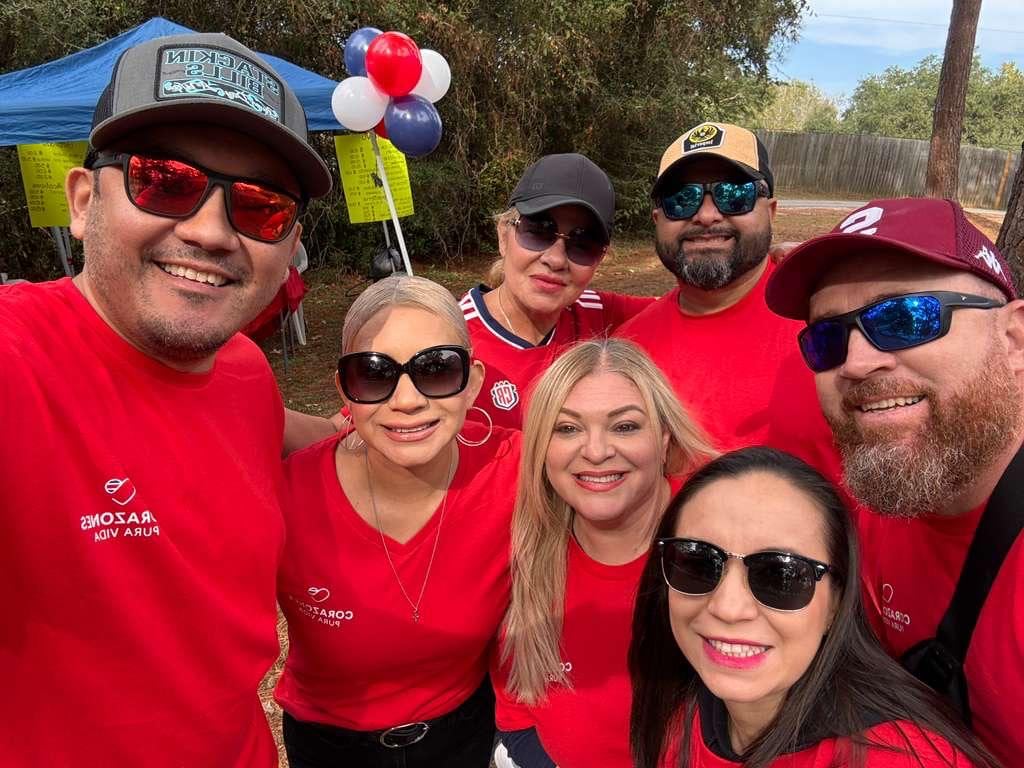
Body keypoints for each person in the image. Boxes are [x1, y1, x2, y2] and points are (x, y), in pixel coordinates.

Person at [0, 32, 331, 767]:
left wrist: (382, 422)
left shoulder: (242, 368)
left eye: (260, 206)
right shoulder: (18, 364)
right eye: (163, 180)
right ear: (83, 202)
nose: (211, 231)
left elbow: (271, 428)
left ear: (290, 249)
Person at [764, 197, 1024, 766]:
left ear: (1014, 339)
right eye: (827, 338)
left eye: (905, 319)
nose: (855, 363)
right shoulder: (884, 493)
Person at [275, 275, 520, 766]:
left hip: (466, 734)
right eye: (373, 373)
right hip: (329, 745)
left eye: (435, 369)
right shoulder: (287, 494)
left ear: (472, 382)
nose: (406, 400)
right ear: (345, 389)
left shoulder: (518, 471)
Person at [629, 447, 998, 768]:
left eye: (780, 575)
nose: (728, 607)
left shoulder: (899, 759)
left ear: (837, 602)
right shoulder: (683, 711)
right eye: (697, 563)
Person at [492, 339, 715, 768]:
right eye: (568, 428)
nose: (596, 451)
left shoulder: (721, 540)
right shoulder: (523, 546)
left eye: (625, 426)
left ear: (665, 438)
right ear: (541, 448)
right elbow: (516, 705)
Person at [614, 122, 837, 475]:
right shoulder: (627, 351)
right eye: (681, 200)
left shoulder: (834, 324)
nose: (705, 215)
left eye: (735, 194)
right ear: (657, 219)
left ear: (771, 210)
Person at [460, 153, 653, 428]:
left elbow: (696, 309)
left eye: (582, 244)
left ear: (600, 259)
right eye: (538, 231)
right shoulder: (452, 336)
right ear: (504, 235)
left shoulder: (600, 314)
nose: (556, 259)